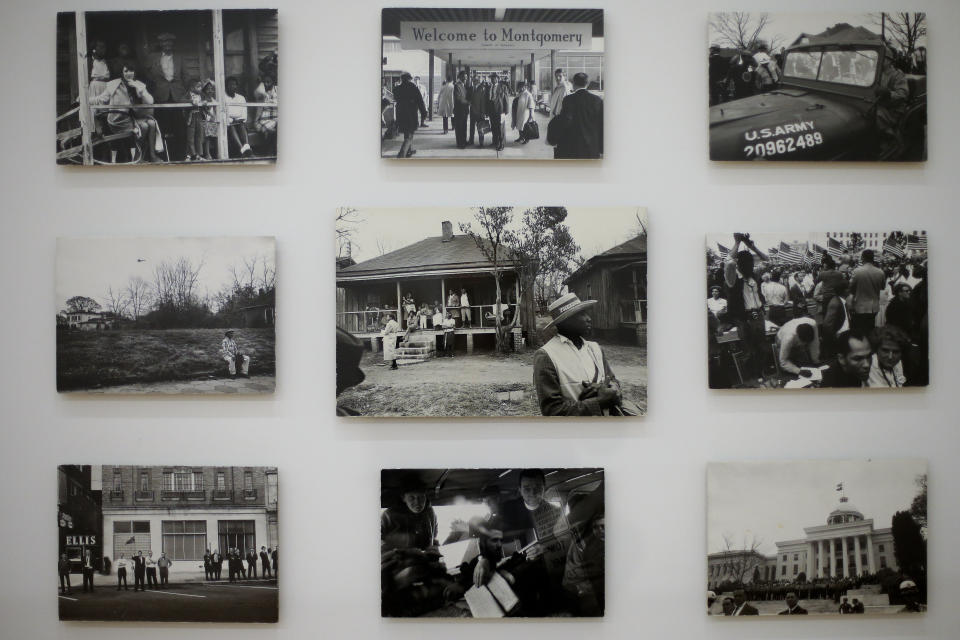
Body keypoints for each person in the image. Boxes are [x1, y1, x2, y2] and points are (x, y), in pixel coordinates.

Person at [533, 293, 623, 416]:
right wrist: (598, 402)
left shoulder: (595, 348)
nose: (588, 318)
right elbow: (552, 410)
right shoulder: (546, 355)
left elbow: (613, 381)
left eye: (586, 313)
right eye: (581, 314)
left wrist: (609, 389)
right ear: (565, 321)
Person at [88, 64, 161, 163]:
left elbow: (150, 101)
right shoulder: (114, 85)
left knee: (152, 124)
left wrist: (140, 89)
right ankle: (137, 157)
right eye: (126, 71)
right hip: (119, 119)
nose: (128, 73)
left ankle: (152, 155)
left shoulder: (139, 84)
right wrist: (85, 100)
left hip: (134, 117)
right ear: (122, 73)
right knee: (144, 126)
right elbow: (101, 99)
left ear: (135, 72)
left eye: (131, 71)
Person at [723, 234, 769, 380]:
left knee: (762, 347)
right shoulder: (732, 278)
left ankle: (762, 373)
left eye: (751, 261)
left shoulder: (753, 275)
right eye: (746, 262)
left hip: (758, 315)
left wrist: (752, 247)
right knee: (748, 350)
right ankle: (750, 379)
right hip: (744, 319)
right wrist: (737, 243)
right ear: (739, 263)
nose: (750, 264)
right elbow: (728, 262)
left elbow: (768, 261)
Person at [145, 33, 189, 159]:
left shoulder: (179, 58)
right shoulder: (153, 58)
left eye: (170, 43)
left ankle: (180, 155)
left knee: (179, 126)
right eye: (165, 43)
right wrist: (154, 87)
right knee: (162, 126)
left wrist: (184, 92)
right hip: (160, 95)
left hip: (177, 96)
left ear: (173, 44)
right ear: (161, 44)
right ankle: (164, 156)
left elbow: (186, 76)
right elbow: (146, 72)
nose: (167, 45)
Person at [549, 72, 603, 159]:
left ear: (573, 83)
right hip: (591, 148)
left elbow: (565, 121)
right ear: (588, 84)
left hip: (572, 146)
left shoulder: (568, 100)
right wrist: (601, 149)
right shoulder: (597, 100)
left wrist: (554, 138)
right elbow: (602, 125)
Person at [876, 48, 910, 157]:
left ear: (890, 61)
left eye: (883, 59)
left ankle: (893, 139)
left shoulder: (897, 75)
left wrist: (889, 94)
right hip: (880, 104)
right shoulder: (876, 73)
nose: (880, 61)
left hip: (893, 108)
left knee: (875, 114)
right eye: (879, 58)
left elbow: (903, 94)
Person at [850, 250, 886, 332]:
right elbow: (882, 287)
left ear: (863, 258)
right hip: (874, 307)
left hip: (860, 306)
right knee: (870, 328)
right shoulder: (880, 272)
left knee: (860, 330)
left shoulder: (857, 271)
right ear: (873, 258)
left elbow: (851, 287)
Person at [394, 72, 427, 159]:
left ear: (402, 79)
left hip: (401, 115)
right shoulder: (413, 88)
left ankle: (409, 151)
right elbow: (420, 101)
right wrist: (424, 112)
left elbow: (396, 98)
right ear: (409, 79)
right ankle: (401, 155)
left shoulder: (397, 89)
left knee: (406, 133)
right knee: (409, 135)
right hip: (410, 115)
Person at [224, 76, 253, 157]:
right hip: (229, 123)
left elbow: (244, 114)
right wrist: (231, 120)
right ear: (226, 86)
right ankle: (242, 150)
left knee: (241, 125)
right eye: (230, 85)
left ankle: (247, 147)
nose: (233, 86)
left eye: (234, 84)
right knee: (232, 127)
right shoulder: (223, 97)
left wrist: (237, 120)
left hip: (239, 122)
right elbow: (224, 113)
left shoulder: (241, 98)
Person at [253, 73, 278, 154]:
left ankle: (270, 153)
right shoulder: (261, 92)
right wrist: (262, 84)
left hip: (276, 119)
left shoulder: (278, 90)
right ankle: (268, 153)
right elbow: (257, 92)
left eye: (268, 82)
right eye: (265, 82)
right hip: (263, 120)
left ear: (273, 82)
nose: (266, 84)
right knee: (272, 132)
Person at [184, 78, 209, 161]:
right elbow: (181, 100)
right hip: (191, 118)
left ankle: (198, 155)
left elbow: (207, 100)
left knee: (199, 136)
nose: (200, 88)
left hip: (199, 117)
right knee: (190, 137)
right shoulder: (188, 94)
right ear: (192, 88)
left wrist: (205, 102)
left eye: (200, 86)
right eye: (198, 87)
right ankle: (191, 155)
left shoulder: (201, 95)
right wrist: (191, 101)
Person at [485, 74, 510, 151]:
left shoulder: (503, 87)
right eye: (492, 78)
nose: (493, 80)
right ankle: (495, 142)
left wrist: (506, 110)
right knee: (493, 127)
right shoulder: (489, 87)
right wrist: (486, 111)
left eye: (494, 78)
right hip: (491, 111)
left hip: (500, 110)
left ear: (498, 79)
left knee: (500, 128)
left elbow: (506, 99)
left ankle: (501, 144)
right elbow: (487, 100)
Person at [468, 74, 488, 147]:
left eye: (476, 80)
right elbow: (468, 98)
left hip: (479, 112)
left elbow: (483, 102)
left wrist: (483, 113)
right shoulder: (470, 88)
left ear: (478, 81)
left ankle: (481, 142)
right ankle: (471, 141)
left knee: (480, 128)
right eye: (473, 80)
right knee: (471, 128)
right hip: (472, 112)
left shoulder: (482, 89)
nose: (474, 82)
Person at [453, 71, 470, 149]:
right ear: (460, 77)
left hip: (464, 110)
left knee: (464, 126)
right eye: (464, 77)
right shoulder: (457, 86)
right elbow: (458, 98)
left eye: (466, 77)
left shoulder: (464, 85)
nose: (465, 78)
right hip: (459, 110)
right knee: (459, 127)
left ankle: (464, 141)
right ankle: (460, 143)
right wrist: (468, 102)